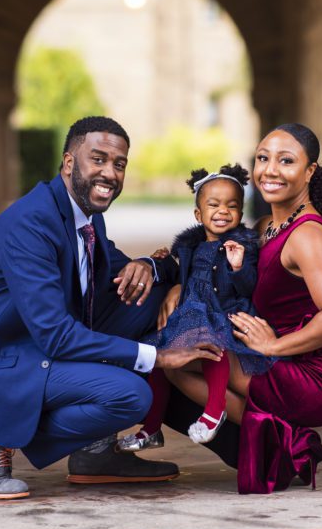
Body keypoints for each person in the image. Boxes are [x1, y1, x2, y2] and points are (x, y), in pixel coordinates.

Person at [0, 116, 221, 500]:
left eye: (119, 164)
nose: (109, 173)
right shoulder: (32, 223)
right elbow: (56, 335)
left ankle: (93, 456)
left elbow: (122, 271)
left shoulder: (84, 218)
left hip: (33, 341)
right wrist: (155, 356)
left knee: (151, 297)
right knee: (131, 394)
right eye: (98, 159)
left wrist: (152, 267)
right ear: (68, 163)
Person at [164, 123, 322, 494]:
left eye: (286, 161)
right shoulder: (264, 226)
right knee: (177, 362)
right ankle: (283, 441)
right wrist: (178, 284)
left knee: (188, 357)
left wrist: (273, 347)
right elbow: (215, 268)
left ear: (309, 171)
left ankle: (291, 445)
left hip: (317, 374)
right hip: (276, 358)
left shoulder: (307, 235)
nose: (269, 170)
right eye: (262, 158)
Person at [117, 163, 274, 452]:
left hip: (225, 318)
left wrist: (238, 267)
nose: (223, 211)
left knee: (208, 341)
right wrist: (164, 264)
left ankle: (215, 410)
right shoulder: (190, 248)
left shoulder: (243, 247)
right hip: (191, 317)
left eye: (232, 206)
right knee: (158, 358)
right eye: (213, 205)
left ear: (241, 213)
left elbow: (250, 287)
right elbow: (182, 275)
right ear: (198, 214)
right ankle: (151, 428)